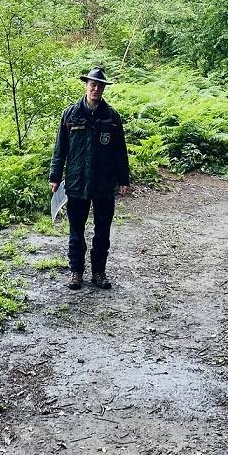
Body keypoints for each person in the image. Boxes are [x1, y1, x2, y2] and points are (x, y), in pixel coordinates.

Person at [49, 67, 131, 290]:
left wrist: (124, 179)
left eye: (100, 85)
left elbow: (119, 152)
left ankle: (99, 273)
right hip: (76, 182)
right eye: (93, 84)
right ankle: (76, 272)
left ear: (104, 88)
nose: (96, 88)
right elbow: (60, 149)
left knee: (102, 229)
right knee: (76, 229)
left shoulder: (112, 117)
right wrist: (55, 176)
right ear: (86, 85)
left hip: (104, 183)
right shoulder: (70, 114)